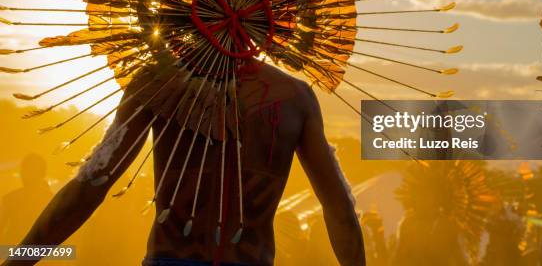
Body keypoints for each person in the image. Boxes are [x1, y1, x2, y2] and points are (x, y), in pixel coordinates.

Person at [2, 61, 365, 266]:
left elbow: (91, 186)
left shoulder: (159, 82)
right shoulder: (295, 97)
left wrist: (18, 261)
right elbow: (340, 210)